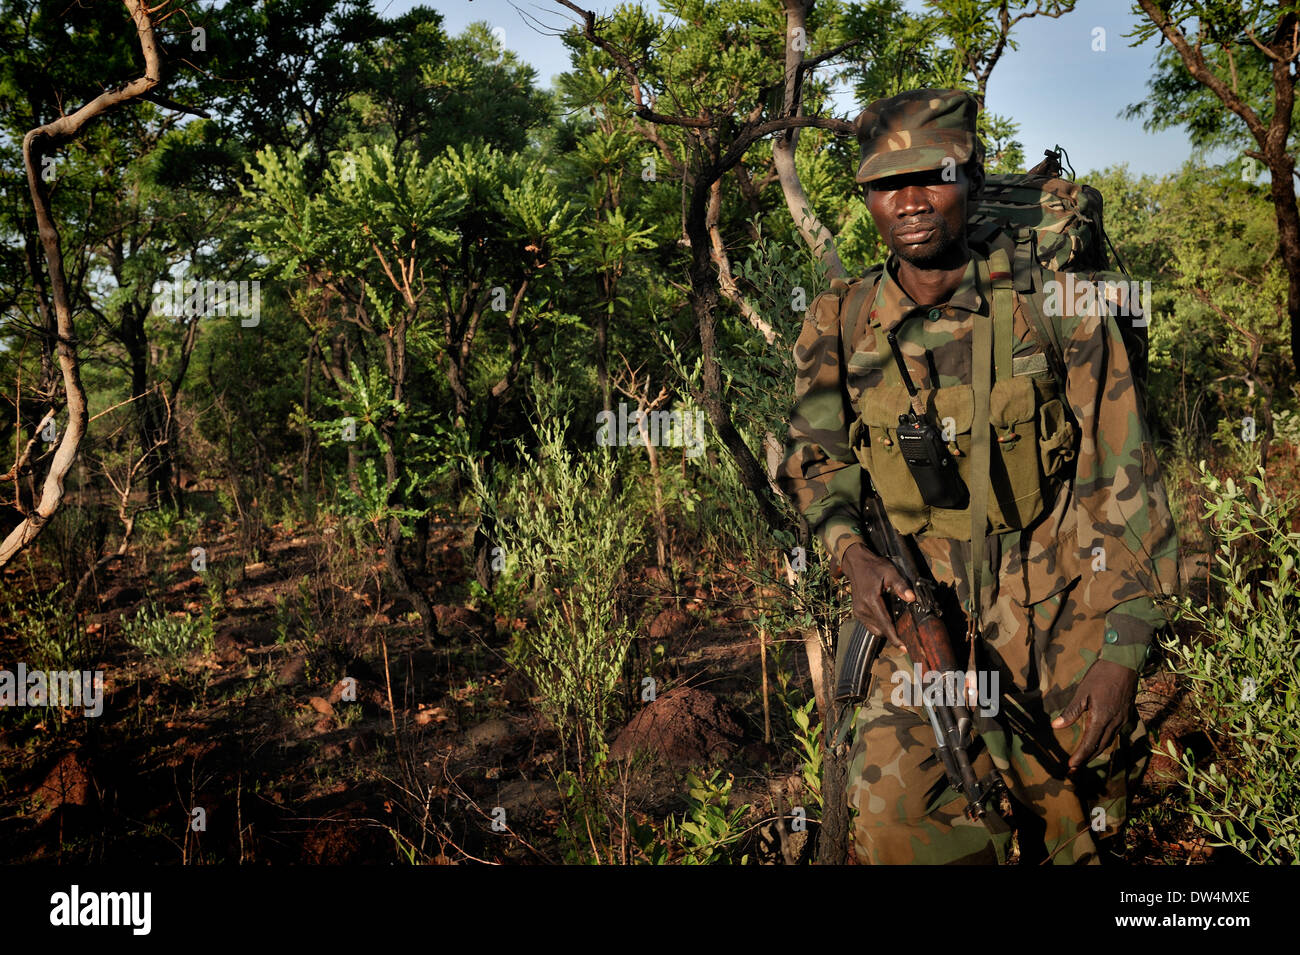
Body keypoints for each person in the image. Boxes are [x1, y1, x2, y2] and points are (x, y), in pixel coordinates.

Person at [776, 88, 1181, 864]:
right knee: (898, 823)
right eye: (887, 184)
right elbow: (813, 457)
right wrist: (849, 551)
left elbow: (1123, 472)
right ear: (865, 196)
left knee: (1081, 824)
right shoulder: (840, 316)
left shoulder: (1054, 302)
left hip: (1063, 594)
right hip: (920, 603)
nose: (911, 201)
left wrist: (1122, 651)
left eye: (934, 175)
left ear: (972, 176)